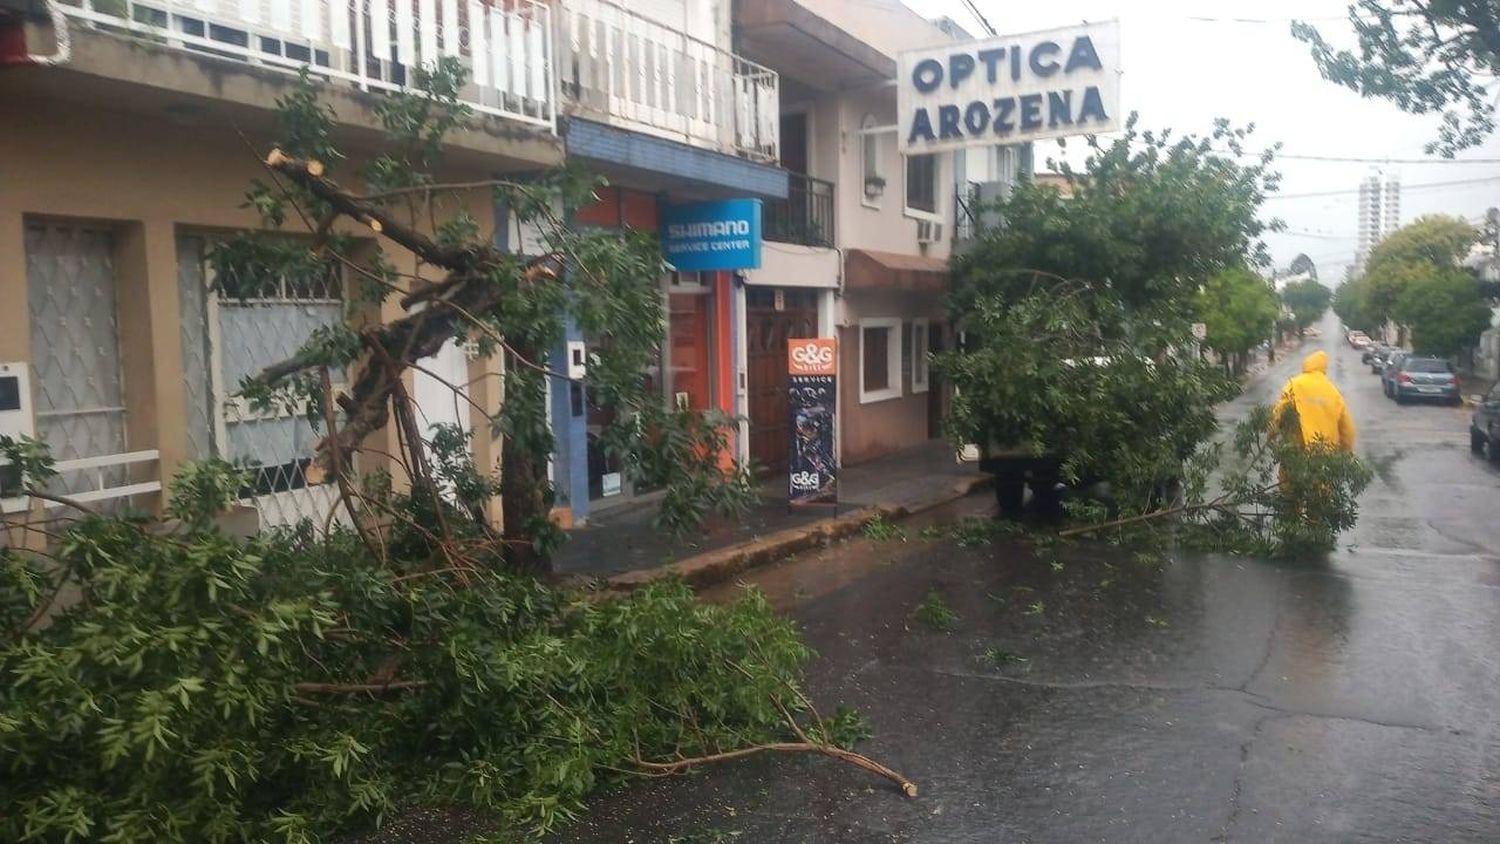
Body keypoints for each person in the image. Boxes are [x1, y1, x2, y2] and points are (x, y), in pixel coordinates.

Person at [1271, 350, 1356, 452]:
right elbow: (1347, 430)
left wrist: (1271, 435)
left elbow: (1279, 411)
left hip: (1296, 453)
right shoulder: (1333, 392)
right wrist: (1345, 451)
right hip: (1326, 456)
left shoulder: (1293, 384)